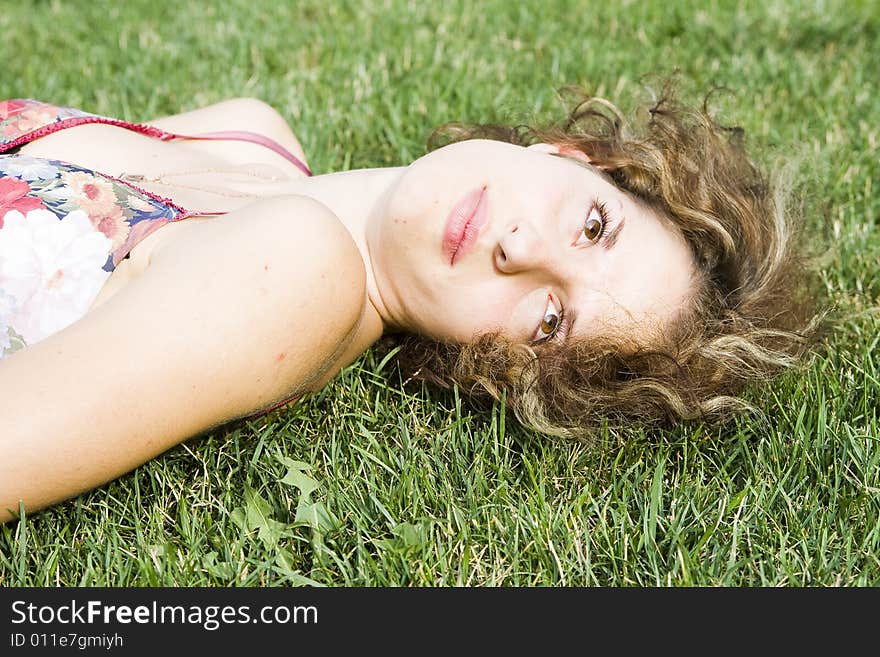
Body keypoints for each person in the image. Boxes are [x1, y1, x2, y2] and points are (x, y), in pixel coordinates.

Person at [0, 86, 820, 523]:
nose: (523, 250)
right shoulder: (251, 136)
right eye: (592, 224)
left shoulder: (298, 273)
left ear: (495, 363)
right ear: (572, 155)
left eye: (549, 318)